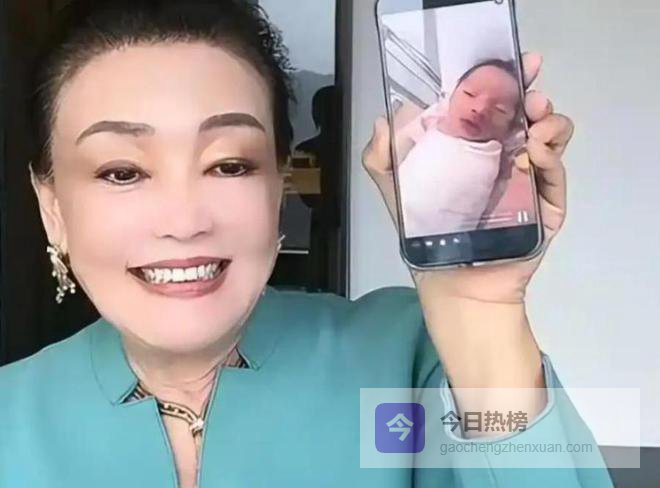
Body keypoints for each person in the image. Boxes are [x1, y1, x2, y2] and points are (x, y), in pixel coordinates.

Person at [0, 1, 612, 487]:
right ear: (52, 208)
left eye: (230, 165)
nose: (184, 221)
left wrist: (482, 314)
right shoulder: (11, 415)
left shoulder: (407, 358)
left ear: (278, 186)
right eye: (122, 172)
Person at [397, 60, 526, 237]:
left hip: (434, 238)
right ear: (452, 94)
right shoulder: (437, 119)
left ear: (508, 128)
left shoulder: (489, 153)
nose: (479, 109)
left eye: (499, 110)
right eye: (469, 94)